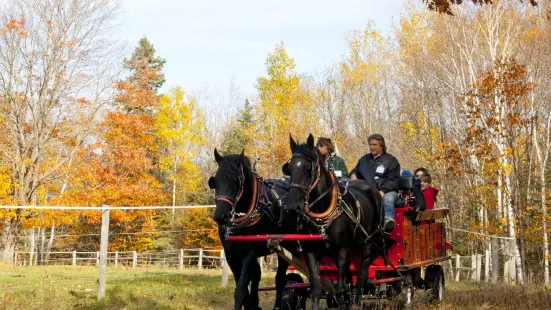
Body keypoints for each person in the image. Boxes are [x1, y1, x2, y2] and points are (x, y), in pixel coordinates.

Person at [350, 134, 400, 232]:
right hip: (367, 191)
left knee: (388, 198)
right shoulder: (364, 160)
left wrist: (382, 191)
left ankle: (388, 221)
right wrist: (353, 176)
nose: (372, 147)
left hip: (387, 191)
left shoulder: (391, 160)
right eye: (370, 145)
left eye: (375, 145)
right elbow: (355, 171)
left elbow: (393, 179)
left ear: (381, 146)